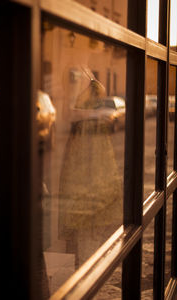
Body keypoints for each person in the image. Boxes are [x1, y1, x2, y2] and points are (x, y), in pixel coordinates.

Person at [58, 66, 122, 266]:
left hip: (92, 148)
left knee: (88, 231)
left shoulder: (86, 76)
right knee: (82, 228)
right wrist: (93, 116)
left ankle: (85, 264)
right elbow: (66, 114)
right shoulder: (77, 82)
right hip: (83, 148)